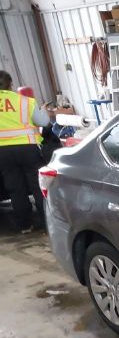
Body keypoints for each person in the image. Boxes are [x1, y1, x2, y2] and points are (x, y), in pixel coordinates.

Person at [0, 71, 51, 233]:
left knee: (15, 188)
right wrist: (43, 111)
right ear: (10, 84)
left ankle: (25, 225)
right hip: (28, 148)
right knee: (37, 186)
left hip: (3, 152)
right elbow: (43, 121)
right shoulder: (25, 101)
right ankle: (47, 223)